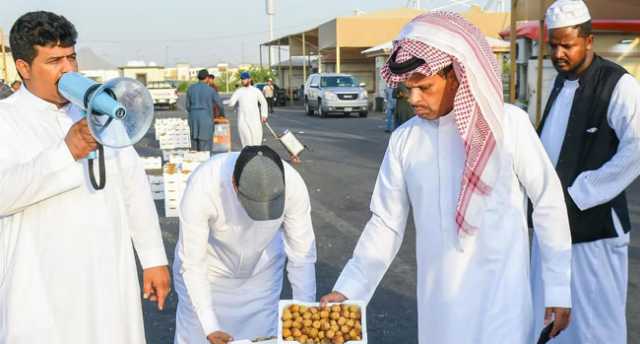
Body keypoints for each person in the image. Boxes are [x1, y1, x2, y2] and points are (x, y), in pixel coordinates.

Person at [320, 12, 572, 343]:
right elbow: (386, 223)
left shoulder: (509, 125)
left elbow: (548, 203)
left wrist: (558, 287)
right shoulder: (404, 140)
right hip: (439, 306)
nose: (413, 100)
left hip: (501, 303)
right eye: (408, 89)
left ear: (457, 76)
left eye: (424, 88)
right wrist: (348, 289)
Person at [0, 11, 170, 343]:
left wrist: (152, 259)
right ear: (24, 67)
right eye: (53, 61)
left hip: (108, 276)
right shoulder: (5, 120)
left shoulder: (100, 112)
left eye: (71, 57)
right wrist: (66, 152)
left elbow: (133, 187)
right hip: (38, 285)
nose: (68, 69)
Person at [530, 1, 640, 343]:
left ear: (588, 41)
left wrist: (582, 192)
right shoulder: (562, 83)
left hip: (595, 231)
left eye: (568, 45)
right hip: (555, 230)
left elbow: (637, 147)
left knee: (595, 327)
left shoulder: (618, 84)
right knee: (551, 322)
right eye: (553, 46)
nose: (559, 53)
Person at [173, 145, 316, 344]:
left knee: (262, 338)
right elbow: (193, 262)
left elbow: (302, 256)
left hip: (261, 275)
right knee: (197, 336)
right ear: (234, 183)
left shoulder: (293, 184)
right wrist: (209, 325)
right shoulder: (204, 184)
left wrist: (305, 314)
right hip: (209, 273)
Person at [225, 72, 268, 147]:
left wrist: (264, 115)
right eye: (242, 79)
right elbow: (231, 103)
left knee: (256, 141)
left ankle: (256, 156)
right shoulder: (239, 91)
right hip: (243, 121)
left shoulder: (256, 91)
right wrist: (225, 102)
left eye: (244, 79)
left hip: (255, 120)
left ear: (249, 79)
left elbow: (263, 102)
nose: (243, 81)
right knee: (246, 142)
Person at [186, 69, 225, 151]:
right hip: (206, 119)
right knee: (205, 146)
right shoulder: (210, 90)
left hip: (193, 119)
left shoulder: (190, 89)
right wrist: (222, 115)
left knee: (194, 146)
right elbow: (220, 104)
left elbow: (187, 106)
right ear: (207, 78)